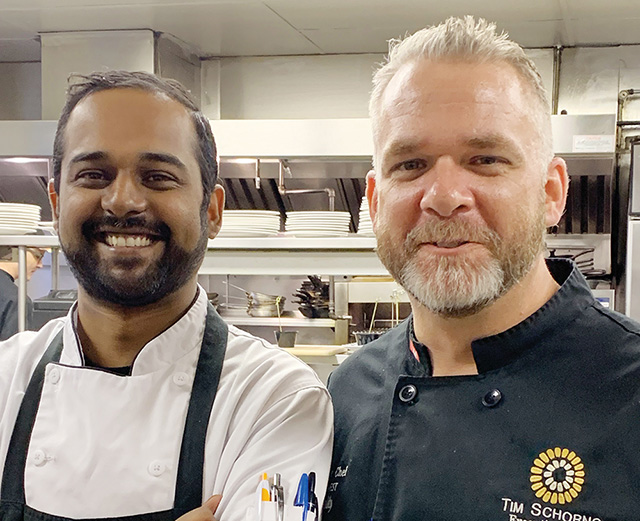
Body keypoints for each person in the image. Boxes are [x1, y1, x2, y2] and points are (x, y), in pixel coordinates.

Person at [323, 16, 640, 521]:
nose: (444, 198)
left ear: (551, 192)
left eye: (486, 158)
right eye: (410, 164)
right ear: (375, 200)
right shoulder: (346, 392)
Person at [0, 71, 332, 521]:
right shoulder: (4, 380)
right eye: (93, 174)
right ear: (56, 204)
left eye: (157, 177)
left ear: (212, 211)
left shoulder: (275, 399)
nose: (121, 201)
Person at [0, 245, 45, 340]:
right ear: (14, 251)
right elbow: (13, 351)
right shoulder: (16, 300)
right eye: (38, 256)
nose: (40, 265)